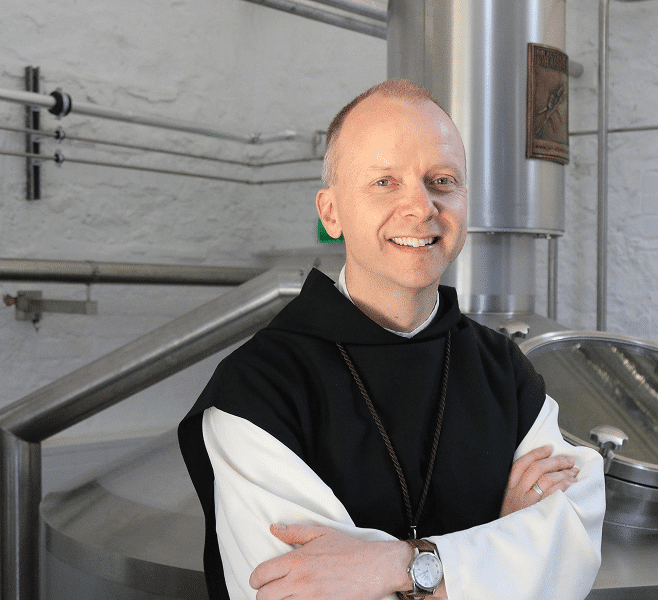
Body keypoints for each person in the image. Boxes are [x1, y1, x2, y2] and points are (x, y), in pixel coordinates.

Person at [178, 79, 606, 600]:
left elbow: (571, 545)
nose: (420, 207)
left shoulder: (503, 369)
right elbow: (294, 591)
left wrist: (404, 565)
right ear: (330, 212)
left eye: (441, 180)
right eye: (384, 182)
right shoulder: (258, 391)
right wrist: (501, 546)